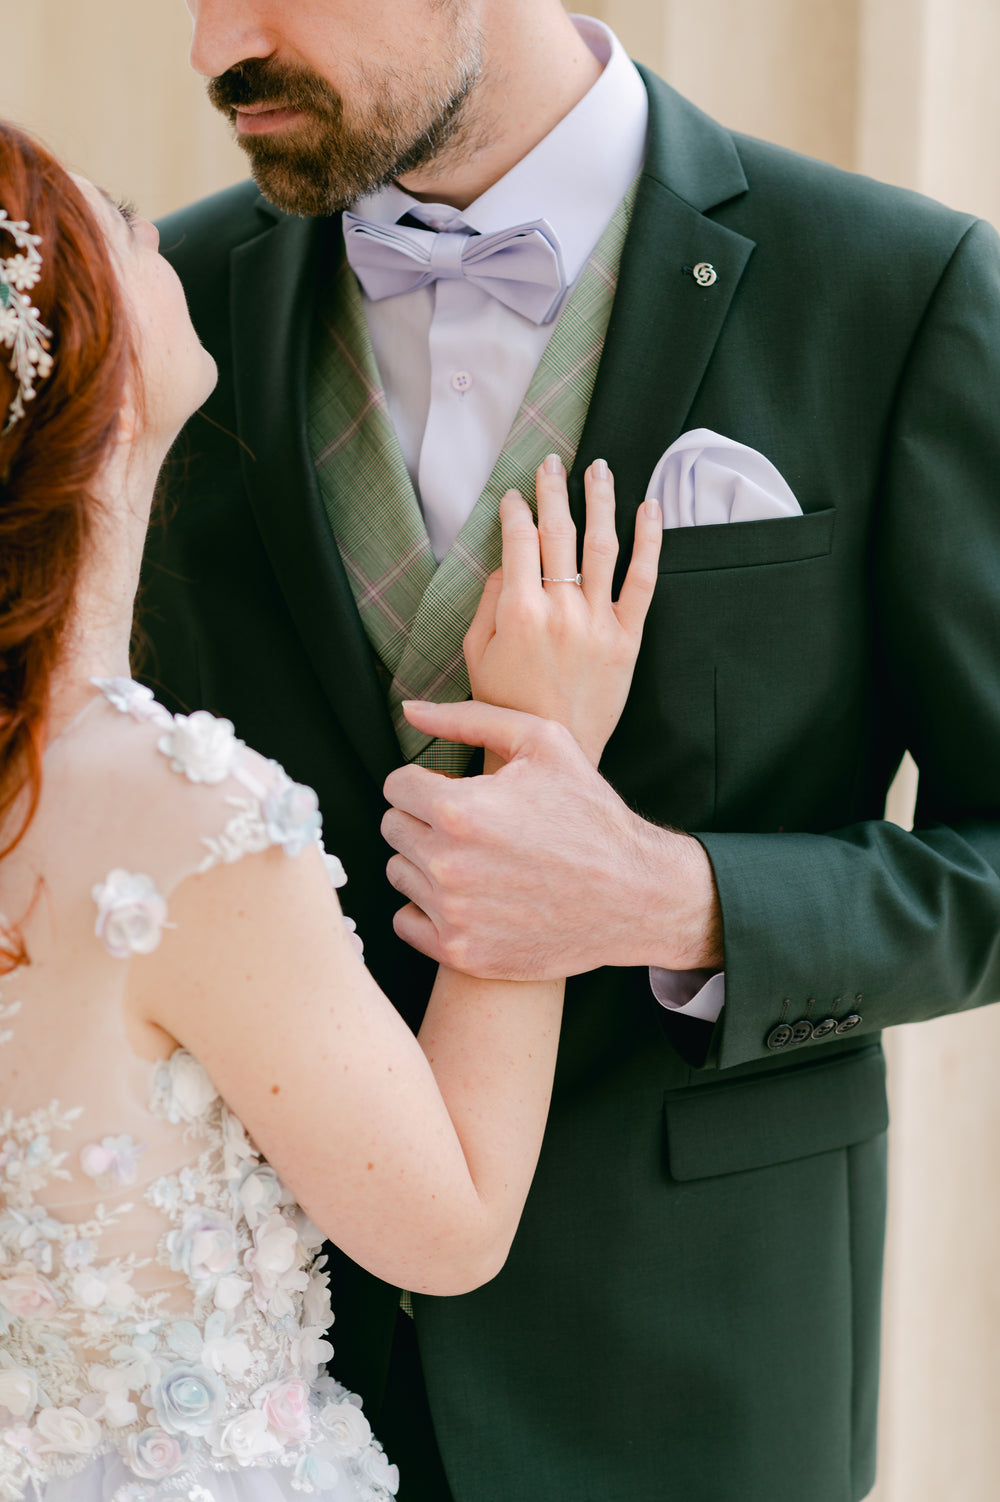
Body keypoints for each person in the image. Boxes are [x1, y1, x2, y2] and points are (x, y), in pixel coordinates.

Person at [142, 3, 1000, 1500]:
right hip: (255, 1381)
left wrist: (677, 898)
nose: (218, 44)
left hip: (701, 1378)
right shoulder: (163, 317)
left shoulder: (897, 290)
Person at [0, 119, 662, 1502]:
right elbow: (454, 1220)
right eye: (117, 217)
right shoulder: (185, 820)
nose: (163, 229)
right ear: (75, 357)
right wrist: (536, 763)